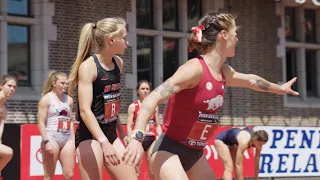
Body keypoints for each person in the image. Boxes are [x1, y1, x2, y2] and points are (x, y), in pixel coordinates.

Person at [123, 11, 299, 180]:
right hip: (168, 149)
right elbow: (153, 98)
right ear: (223, 35)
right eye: (235, 33)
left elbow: (251, 81)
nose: (237, 38)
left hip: (195, 154)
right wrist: (137, 137)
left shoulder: (224, 72)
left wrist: (280, 89)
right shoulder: (194, 69)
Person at [68, 17, 137, 180]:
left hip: (111, 133)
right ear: (111, 39)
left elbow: (112, 102)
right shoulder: (88, 67)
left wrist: (121, 132)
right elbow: (85, 110)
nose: (127, 42)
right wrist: (103, 142)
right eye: (124, 38)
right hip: (90, 135)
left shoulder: (118, 63)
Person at [37, 71, 75, 180]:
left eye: (66, 83)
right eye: (62, 83)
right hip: (52, 137)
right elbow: (40, 122)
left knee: (69, 175)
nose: (65, 86)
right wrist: (46, 141)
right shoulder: (46, 99)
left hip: (66, 138)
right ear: (54, 83)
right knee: (49, 175)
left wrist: (72, 140)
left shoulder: (69, 100)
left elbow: (70, 120)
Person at [127, 80, 162, 178]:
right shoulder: (133, 107)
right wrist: (130, 139)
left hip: (151, 139)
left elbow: (157, 124)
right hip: (138, 140)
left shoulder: (154, 106)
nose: (145, 91)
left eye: (147, 89)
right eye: (142, 89)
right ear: (137, 91)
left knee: (152, 171)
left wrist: (161, 138)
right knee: (136, 171)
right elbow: (129, 125)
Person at [0, 75, 16, 172]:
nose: (12, 89)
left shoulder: (4, 105)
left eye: (14, 87)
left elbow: (1, 122)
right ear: (1, 86)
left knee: (8, 153)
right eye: (9, 86)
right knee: (8, 152)